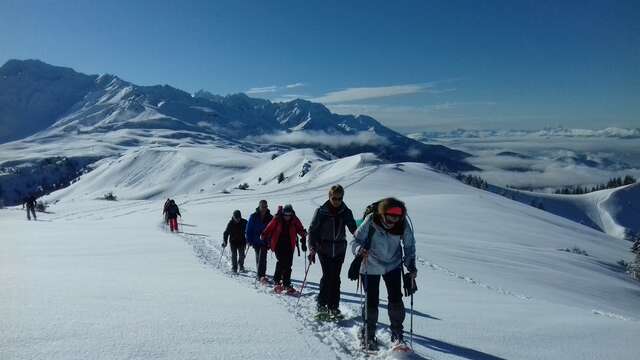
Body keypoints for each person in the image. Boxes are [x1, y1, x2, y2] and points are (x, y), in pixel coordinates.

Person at [350, 197, 417, 351]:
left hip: (393, 265)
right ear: (382, 214)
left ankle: (397, 336)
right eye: (391, 216)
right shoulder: (371, 220)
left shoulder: (402, 223)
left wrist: (411, 266)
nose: (394, 220)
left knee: (395, 299)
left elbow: (409, 246)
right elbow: (355, 240)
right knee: (371, 300)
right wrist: (360, 251)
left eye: (397, 217)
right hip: (370, 264)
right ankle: (368, 334)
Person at [308, 184, 357, 318]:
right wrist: (312, 248)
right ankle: (322, 304)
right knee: (327, 276)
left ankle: (334, 306)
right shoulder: (321, 212)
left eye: (339, 198)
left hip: (340, 249)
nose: (337, 201)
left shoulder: (346, 212)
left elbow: (353, 227)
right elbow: (312, 231)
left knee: (335, 278)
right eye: (334, 198)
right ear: (329, 197)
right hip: (324, 248)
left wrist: (360, 236)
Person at [261, 204, 307, 294]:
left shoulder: (294, 219)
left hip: (289, 244)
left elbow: (300, 228)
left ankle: (286, 283)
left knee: (289, 264)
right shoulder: (277, 218)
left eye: (289, 215)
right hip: (278, 243)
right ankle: (277, 280)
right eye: (285, 214)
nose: (287, 217)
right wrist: (264, 235)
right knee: (281, 261)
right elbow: (269, 228)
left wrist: (303, 234)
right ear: (283, 213)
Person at [245, 200, 273, 283]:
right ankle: (260, 274)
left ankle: (261, 275)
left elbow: (272, 229)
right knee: (259, 256)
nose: (264, 208)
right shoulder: (253, 216)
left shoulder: (270, 217)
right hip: (256, 240)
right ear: (259, 207)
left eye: (266, 206)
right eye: (263, 206)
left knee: (263, 257)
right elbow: (249, 229)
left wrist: (271, 240)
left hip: (265, 241)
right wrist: (249, 240)